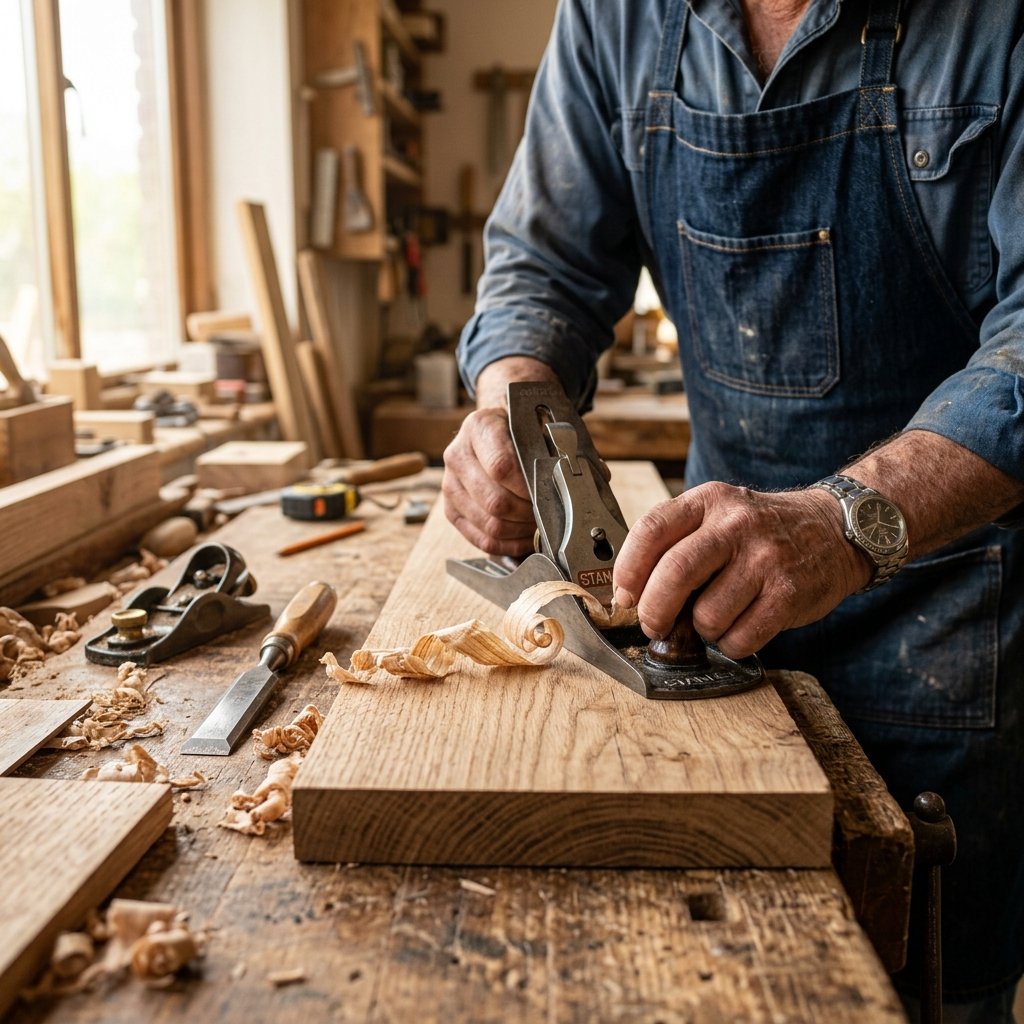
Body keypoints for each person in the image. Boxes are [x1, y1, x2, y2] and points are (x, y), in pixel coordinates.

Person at [440, 1, 1024, 1020]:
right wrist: (510, 408)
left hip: (946, 622)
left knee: (929, 984)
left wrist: (843, 520)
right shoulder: (618, 19)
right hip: (713, 605)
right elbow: (544, 266)